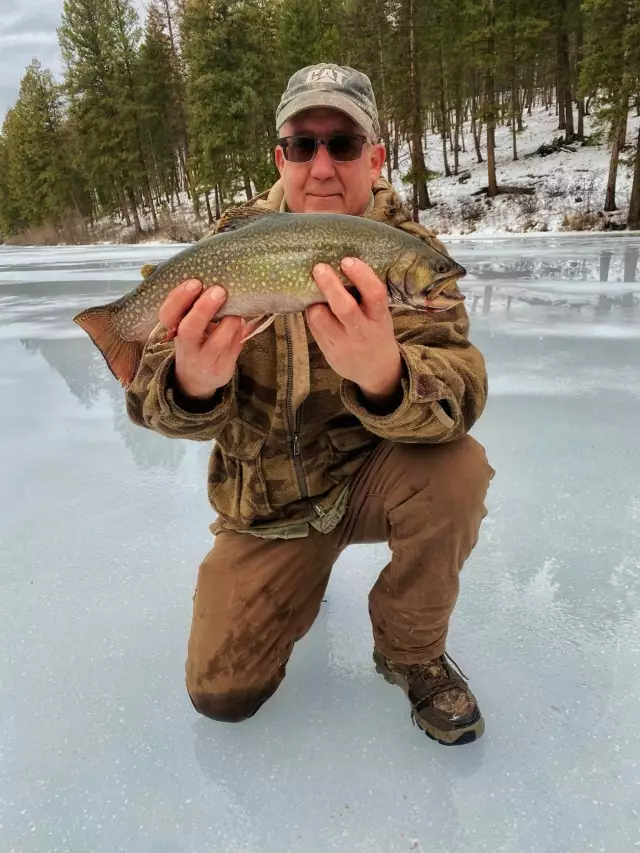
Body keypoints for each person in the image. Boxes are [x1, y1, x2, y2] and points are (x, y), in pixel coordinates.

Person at [125, 64, 495, 746]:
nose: (322, 165)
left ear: (375, 156)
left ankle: (411, 652)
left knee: (458, 470)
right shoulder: (232, 242)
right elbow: (149, 398)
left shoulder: (409, 253)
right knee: (221, 694)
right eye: (303, 145)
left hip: (371, 482)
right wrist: (193, 382)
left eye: (344, 144)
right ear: (281, 158)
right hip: (266, 507)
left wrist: (386, 376)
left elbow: (462, 386)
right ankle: (303, 572)